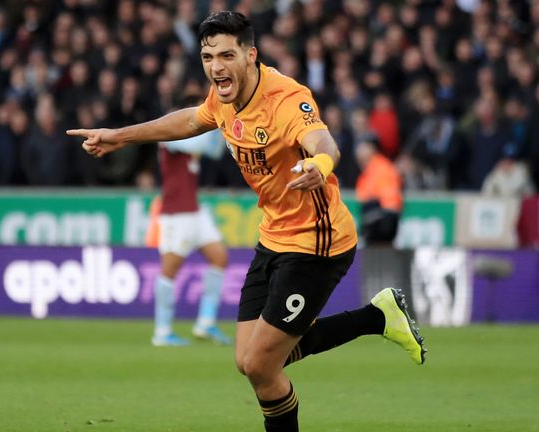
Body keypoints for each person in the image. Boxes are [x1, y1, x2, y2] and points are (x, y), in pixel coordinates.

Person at [68, 12, 426, 431]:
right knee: (248, 361)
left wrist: (321, 163)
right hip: (273, 235)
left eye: (225, 55)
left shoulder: (286, 99)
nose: (216, 66)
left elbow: (321, 139)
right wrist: (120, 135)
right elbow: (189, 120)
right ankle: (377, 316)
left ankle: (376, 318)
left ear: (250, 55)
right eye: (207, 57)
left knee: (261, 364)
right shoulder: (223, 98)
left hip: (317, 244)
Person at [146, 116, 232, 346]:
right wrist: (219, 122)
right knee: (169, 270)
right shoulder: (169, 138)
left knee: (219, 258)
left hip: (195, 210)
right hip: (176, 214)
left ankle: (205, 323)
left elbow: (214, 151)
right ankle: (162, 332)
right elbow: (200, 144)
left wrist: (219, 126)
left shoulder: (192, 140)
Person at [355, 136, 403, 245]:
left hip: (383, 220)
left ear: (371, 149)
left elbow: (389, 200)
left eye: (362, 147)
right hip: (377, 219)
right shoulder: (369, 169)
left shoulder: (380, 168)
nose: (358, 151)